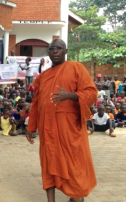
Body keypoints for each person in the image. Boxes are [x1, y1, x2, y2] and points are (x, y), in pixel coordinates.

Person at [26, 39, 97, 202]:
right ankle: (51, 200)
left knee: (73, 162)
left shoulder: (76, 68)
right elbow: (36, 103)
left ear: (66, 51)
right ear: (49, 52)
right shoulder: (42, 77)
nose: (55, 51)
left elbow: (92, 93)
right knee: (48, 161)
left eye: (59, 48)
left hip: (69, 128)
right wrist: (31, 127)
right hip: (47, 129)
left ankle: (76, 196)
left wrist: (72, 95)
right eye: (52, 48)